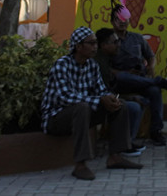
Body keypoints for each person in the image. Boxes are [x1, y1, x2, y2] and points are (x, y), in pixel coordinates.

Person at [40, 26, 142, 180]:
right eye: (91, 43)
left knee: (119, 105)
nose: (96, 47)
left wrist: (109, 98)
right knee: (82, 107)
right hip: (56, 118)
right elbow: (65, 97)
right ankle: (80, 165)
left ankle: (115, 156)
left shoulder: (92, 65)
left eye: (96, 43)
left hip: (82, 112)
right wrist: (99, 99)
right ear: (79, 47)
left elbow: (101, 90)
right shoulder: (62, 65)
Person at [110, 15, 167, 146]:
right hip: (120, 82)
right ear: (112, 21)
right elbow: (107, 69)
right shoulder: (109, 40)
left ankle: (156, 131)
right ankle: (158, 81)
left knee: (155, 91)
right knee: (123, 77)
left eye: (125, 19)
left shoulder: (137, 38)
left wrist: (151, 67)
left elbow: (151, 57)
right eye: (119, 19)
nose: (122, 22)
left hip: (140, 80)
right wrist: (126, 73)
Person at [94, 28, 146, 156]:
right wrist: (126, 99)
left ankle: (127, 141)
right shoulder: (98, 63)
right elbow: (103, 92)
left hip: (109, 96)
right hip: (98, 102)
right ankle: (123, 145)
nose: (119, 45)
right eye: (115, 42)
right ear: (104, 45)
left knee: (142, 99)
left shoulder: (107, 59)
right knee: (132, 107)